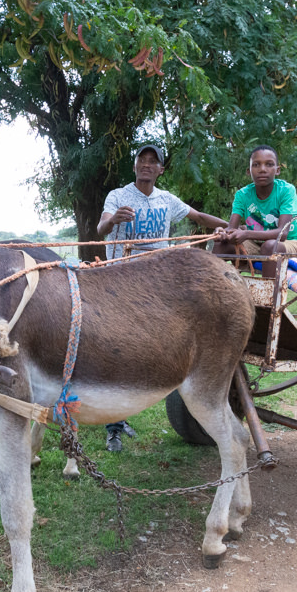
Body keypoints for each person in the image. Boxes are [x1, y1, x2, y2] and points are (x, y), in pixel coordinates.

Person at [96, 143, 228, 452]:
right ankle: (114, 426)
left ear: (160, 169)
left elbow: (198, 216)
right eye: (141, 159)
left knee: (146, 352)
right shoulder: (118, 195)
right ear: (135, 166)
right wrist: (113, 220)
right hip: (121, 284)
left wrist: (228, 227)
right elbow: (101, 228)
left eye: (152, 161)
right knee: (117, 352)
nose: (146, 164)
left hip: (156, 287)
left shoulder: (166, 200)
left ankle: (137, 410)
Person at [212, 145, 297, 278]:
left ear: (277, 170)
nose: (262, 169)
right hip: (257, 244)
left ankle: (269, 291)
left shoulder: (286, 190)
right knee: (221, 245)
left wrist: (247, 233)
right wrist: (222, 232)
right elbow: (231, 229)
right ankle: (215, 288)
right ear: (248, 171)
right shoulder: (242, 195)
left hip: (290, 243)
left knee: (270, 246)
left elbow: (282, 233)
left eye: (269, 164)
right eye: (256, 165)